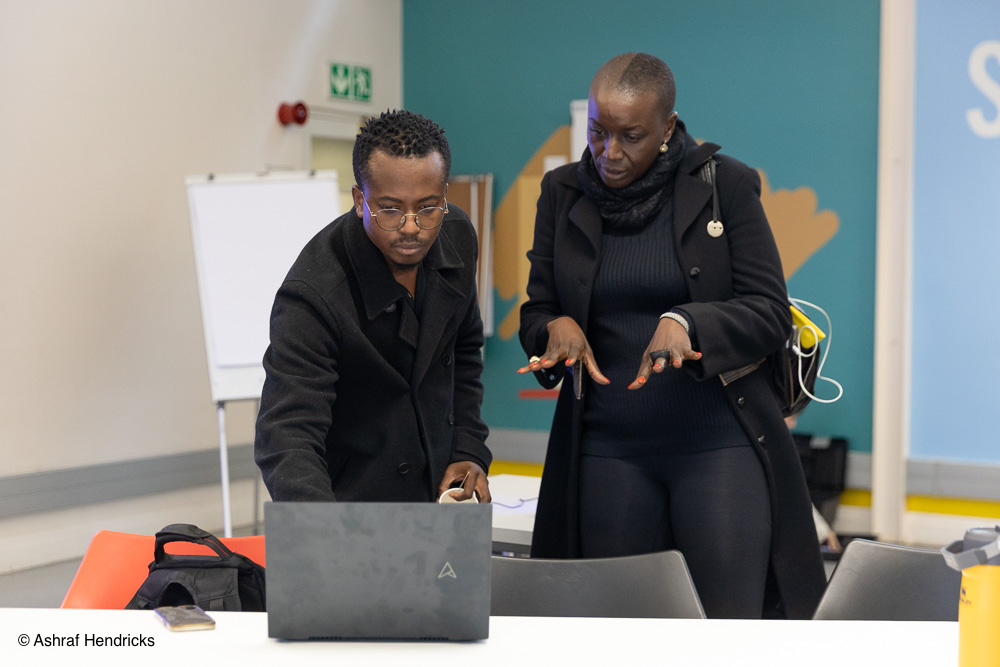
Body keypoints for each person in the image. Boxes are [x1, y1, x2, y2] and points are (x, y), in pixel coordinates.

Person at [517, 53, 825, 618]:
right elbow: (538, 310)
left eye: (630, 136)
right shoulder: (562, 192)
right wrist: (553, 327)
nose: (609, 152)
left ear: (667, 127)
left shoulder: (725, 184)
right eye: (597, 132)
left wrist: (687, 320)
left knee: (726, 631)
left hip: (718, 443)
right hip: (607, 448)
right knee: (619, 632)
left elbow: (769, 313)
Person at [255, 109, 491, 505]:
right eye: (391, 209)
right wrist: (323, 527)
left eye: (428, 207)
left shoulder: (458, 237)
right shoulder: (313, 293)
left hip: (439, 498)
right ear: (359, 200)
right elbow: (288, 435)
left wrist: (468, 448)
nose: (412, 227)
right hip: (351, 508)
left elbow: (464, 348)